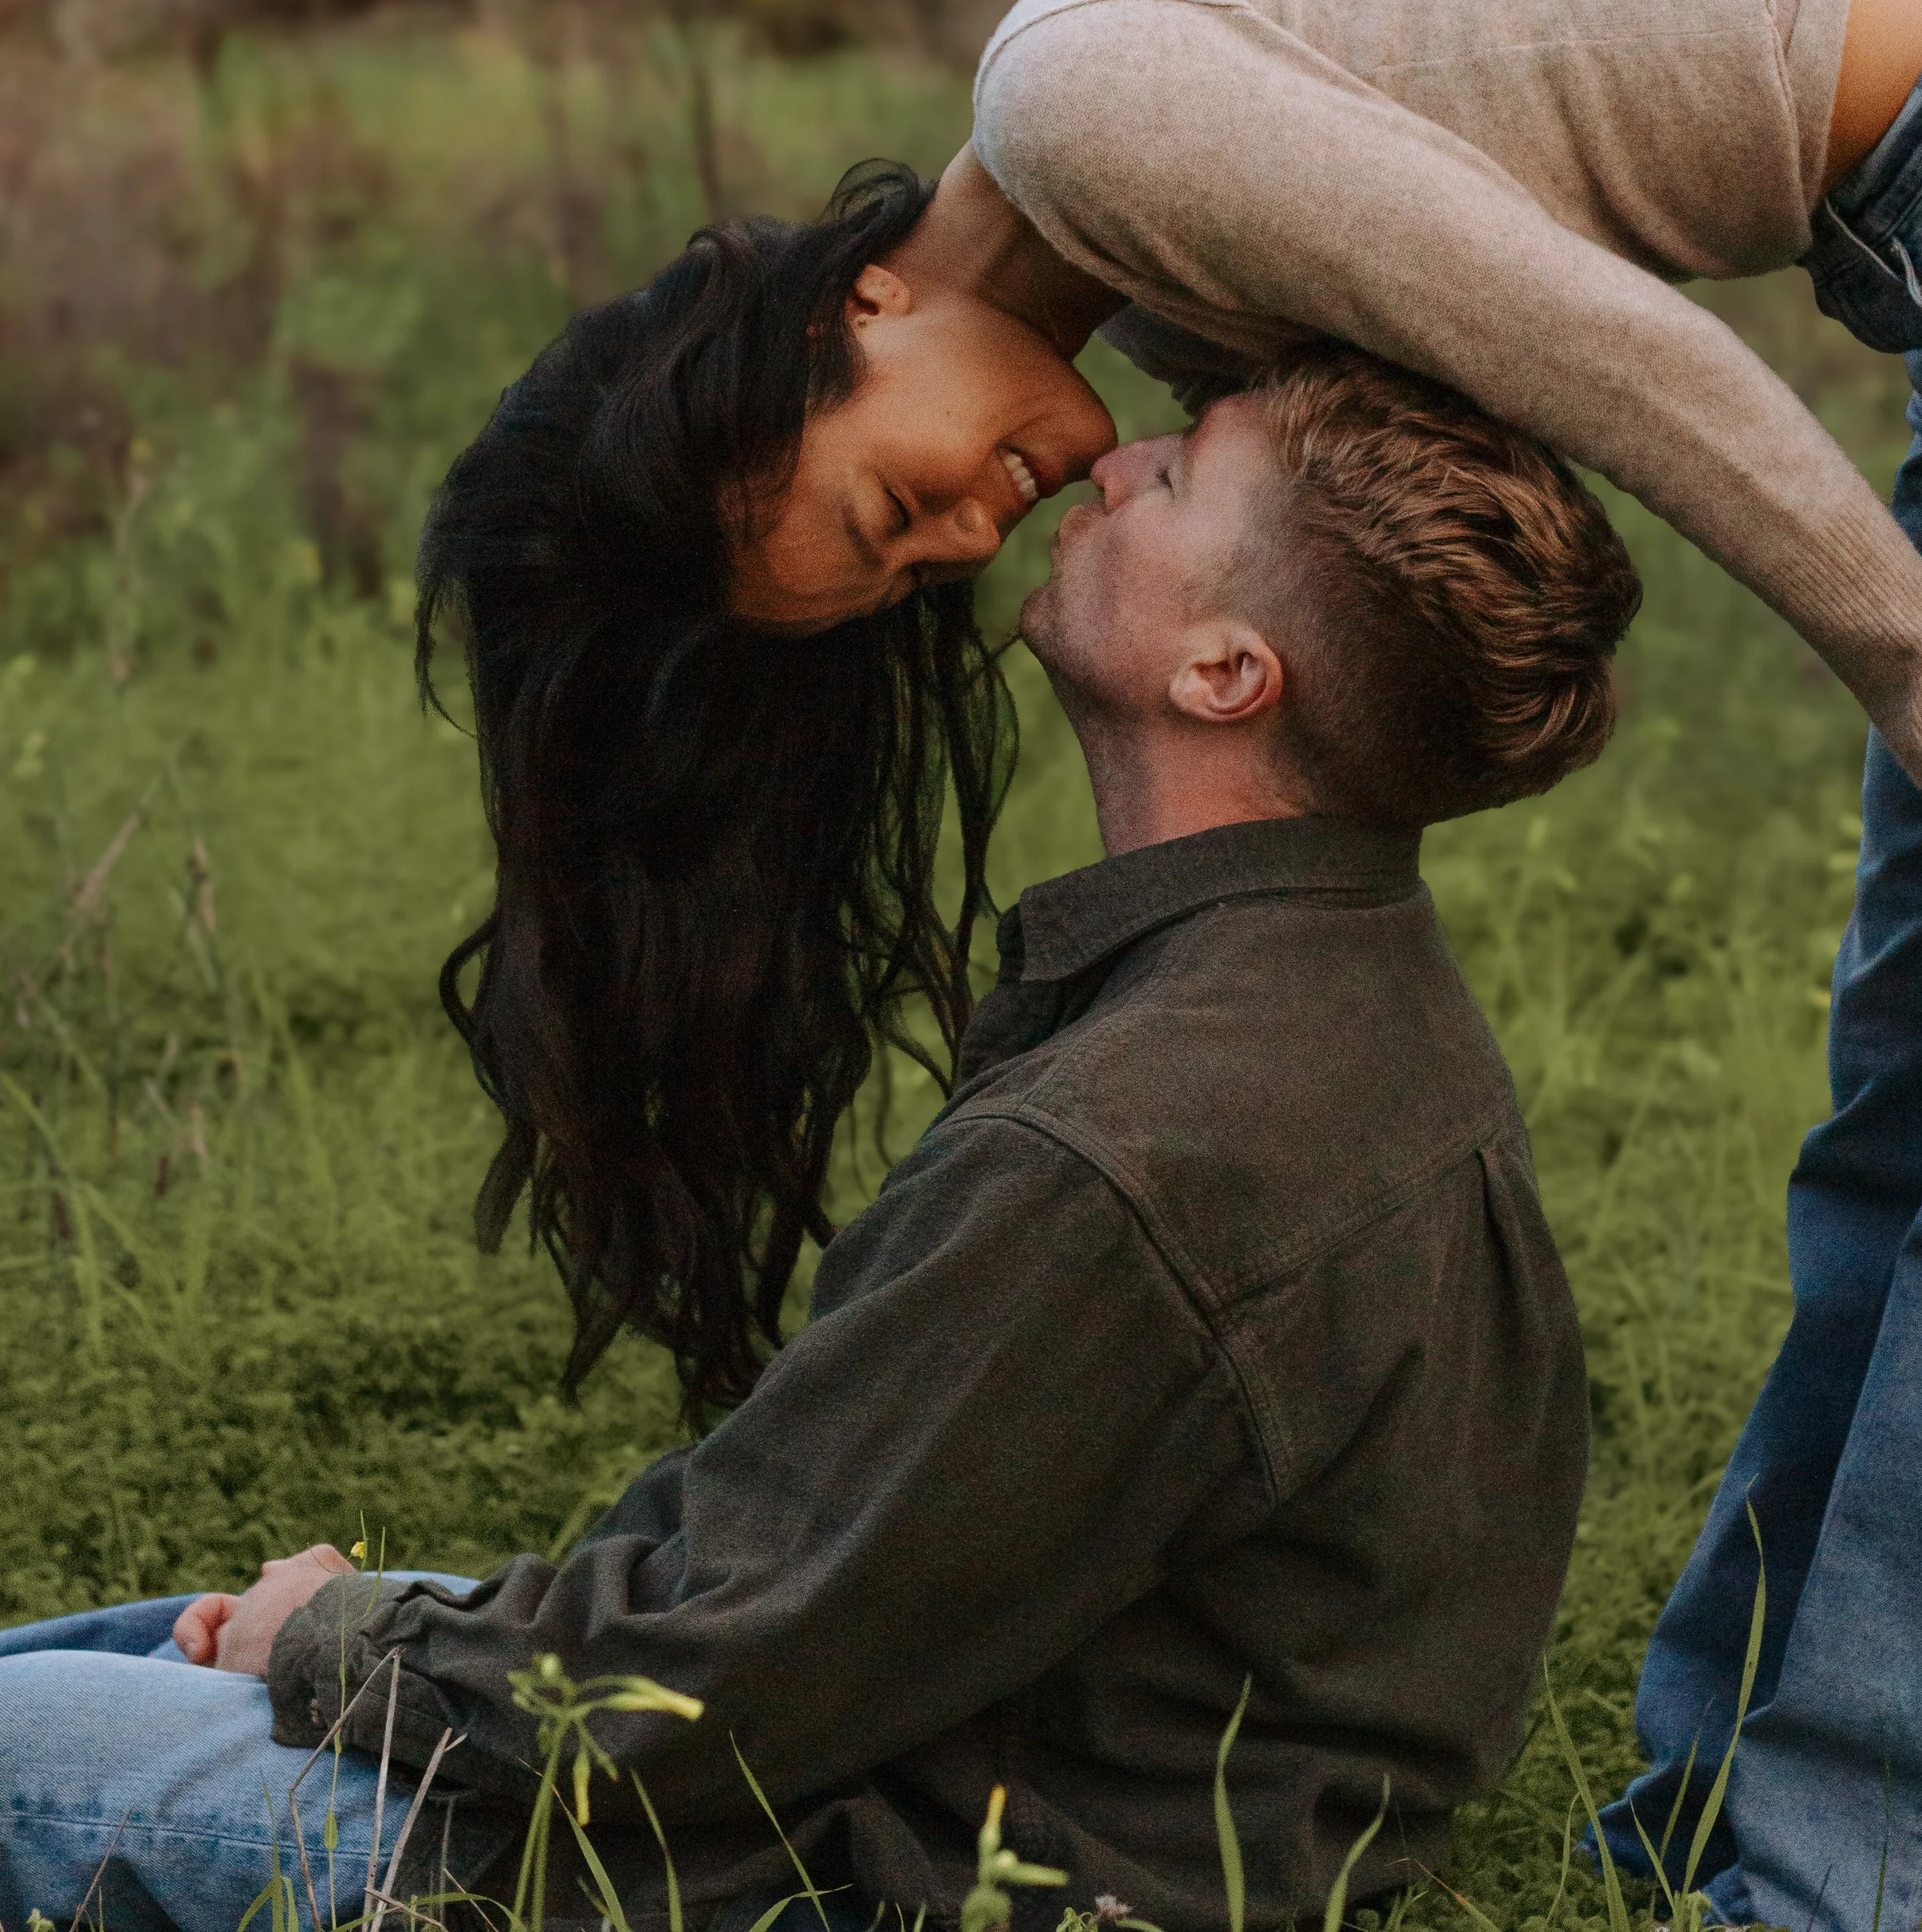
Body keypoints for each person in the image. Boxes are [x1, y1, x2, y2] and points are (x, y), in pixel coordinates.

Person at [0, 352, 1636, 1932]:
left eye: (1177, 471)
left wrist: (342, 1643)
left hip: (873, 1877)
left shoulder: (1139, 1148)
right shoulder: (1339, 987)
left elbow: (721, 1681)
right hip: (1003, 1775)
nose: (1106, 460)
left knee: (27, 1754)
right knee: (146, 1649)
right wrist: (341, 1637)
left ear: (1224, 670)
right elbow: (819, 1582)